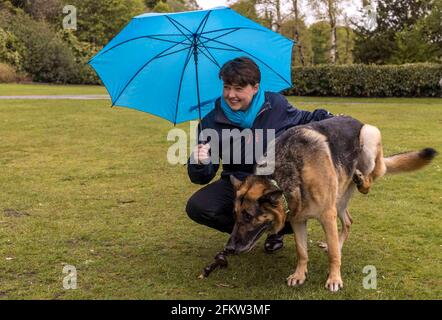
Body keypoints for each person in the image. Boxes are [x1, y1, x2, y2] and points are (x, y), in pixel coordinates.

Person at [186, 57, 333, 253]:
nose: (231, 94)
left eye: (239, 89)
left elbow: (302, 118)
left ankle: (278, 229)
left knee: (296, 201)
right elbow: (202, 177)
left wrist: (330, 118)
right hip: (237, 183)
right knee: (198, 207)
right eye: (227, 87)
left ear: (255, 88)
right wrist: (200, 162)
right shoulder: (210, 122)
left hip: (273, 183)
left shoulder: (275, 104)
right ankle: (251, 230)